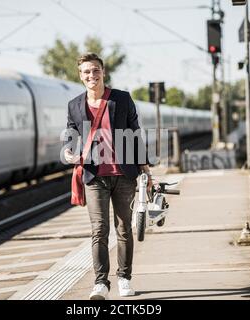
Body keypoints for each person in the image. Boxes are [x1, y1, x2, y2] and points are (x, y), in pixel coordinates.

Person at [63, 52, 152, 300]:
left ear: (103, 72)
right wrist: (69, 150)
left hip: (124, 175)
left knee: (124, 228)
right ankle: (101, 283)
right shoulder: (74, 105)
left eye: (95, 70)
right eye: (86, 72)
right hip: (94, 176)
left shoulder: (121, 99)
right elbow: (72, 132)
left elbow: (135, 132)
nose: (92, 75)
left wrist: (145, 169)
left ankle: (124, 278)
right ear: (81, 76)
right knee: (99, 230)